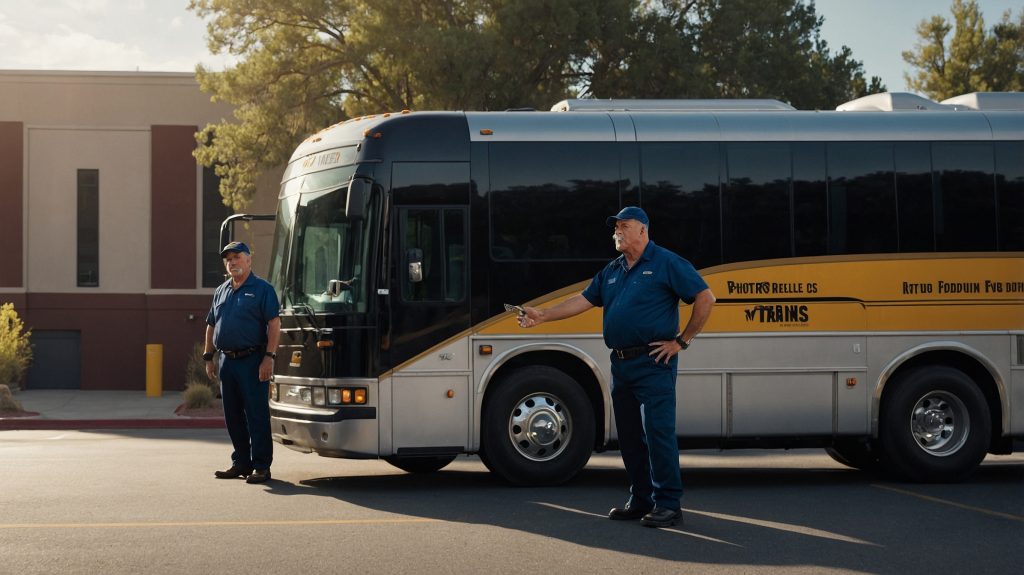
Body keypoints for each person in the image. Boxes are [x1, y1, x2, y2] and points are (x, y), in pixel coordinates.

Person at [519, 206, 715, 528]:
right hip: (621, 364)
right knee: (628, 437)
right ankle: (641, 500)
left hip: (654, 363)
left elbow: (706, 298)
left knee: (658, 434)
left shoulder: (666, 263)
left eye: (624, 226)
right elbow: (581, 301)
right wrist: (542, 315)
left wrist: (682, 341)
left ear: (643, 230)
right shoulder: (613, 270)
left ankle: (668, 504)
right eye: (615, 228)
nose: (617, 232)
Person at [204, 241, 281, 484]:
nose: (232, 262)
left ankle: (261, 466)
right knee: (232, 415)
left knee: (256, 414)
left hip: (253, 359)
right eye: (228, 259)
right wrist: (209, 356)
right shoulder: (221, 290)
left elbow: (274, 324)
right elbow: (211, 324)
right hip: (227, 360)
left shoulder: (262, 289)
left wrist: (268, 358)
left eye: (237, 257)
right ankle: (241, 462)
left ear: (249, 260)